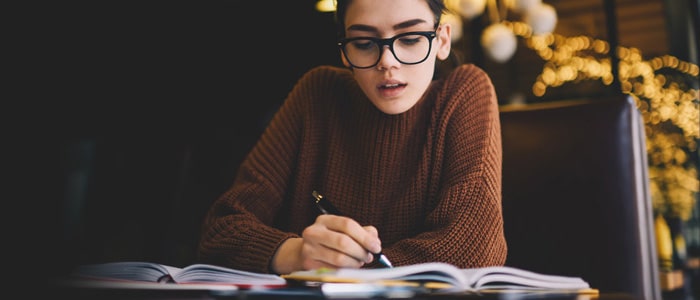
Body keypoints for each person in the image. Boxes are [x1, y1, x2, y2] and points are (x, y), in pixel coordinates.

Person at [197, 0, 507, 275]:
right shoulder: (318, 93)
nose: (387, 61)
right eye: (363, 43)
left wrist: (339, 271)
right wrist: (296, 254)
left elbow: (474, 249)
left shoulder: (465, 92)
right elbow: (221, 230)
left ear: (442, 40)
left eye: (410, 38)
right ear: (344, 52)